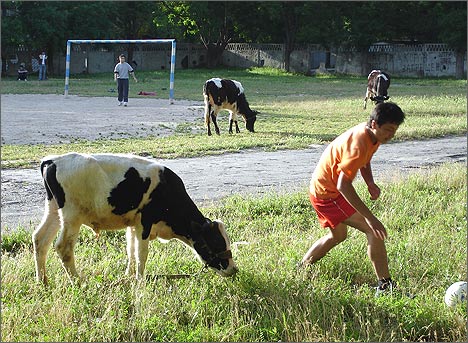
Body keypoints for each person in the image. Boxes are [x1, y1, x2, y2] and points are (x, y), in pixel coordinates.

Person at [300, 102, 405, 296]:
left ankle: (302, 267)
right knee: (374, 231)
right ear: (374, 124)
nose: (390, 135)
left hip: (323, 190)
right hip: (327, 194)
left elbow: (364, 160)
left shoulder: (372, 136)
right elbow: (343, 185)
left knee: (338, 236)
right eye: (388, 130)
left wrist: (370, 183)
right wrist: (371, 219)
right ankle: (385, 286)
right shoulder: (359, 143)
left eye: (394, 131)